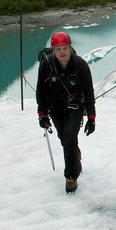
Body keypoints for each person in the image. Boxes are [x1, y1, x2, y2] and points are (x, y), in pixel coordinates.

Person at [36, 31, 96, 194]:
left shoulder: (80, 65)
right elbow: (41, 91)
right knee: (65, 140)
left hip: (75, 108)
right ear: (53, 50)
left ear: (70, 48)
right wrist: (42, 114)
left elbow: (88, 92)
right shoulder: (46, 65)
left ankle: (71, 177)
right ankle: (75, 159)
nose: (62, 53)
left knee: (69, 137)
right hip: (55, 110)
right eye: (58, 49)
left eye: (65, 48)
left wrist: (91, 117)